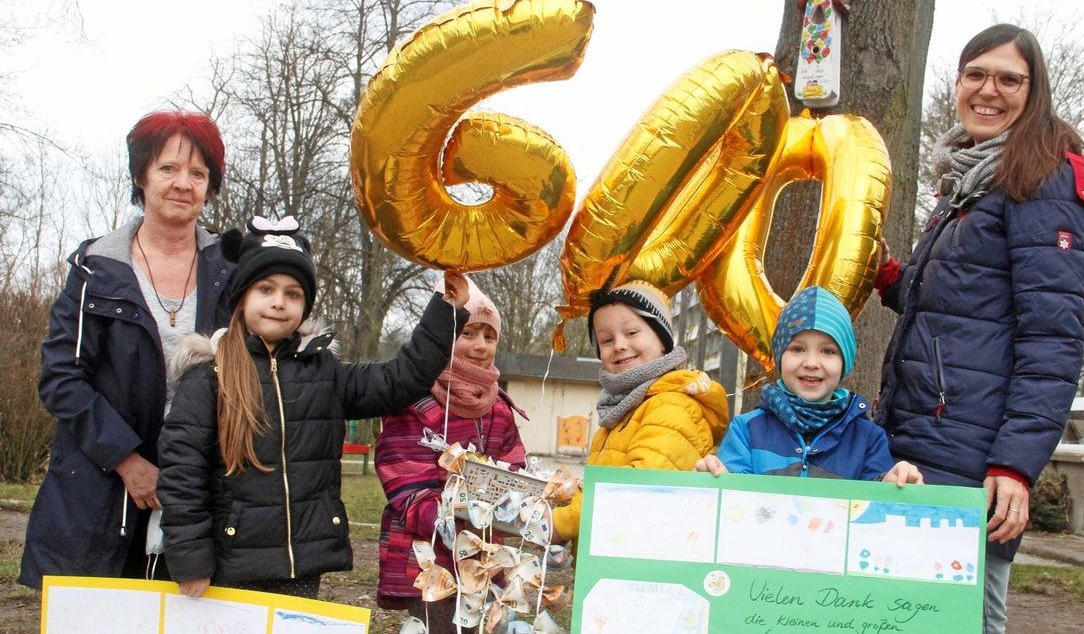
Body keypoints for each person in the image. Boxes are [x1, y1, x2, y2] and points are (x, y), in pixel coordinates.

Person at [872, 23, 1084, 633]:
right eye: (976, 75)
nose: (989, 90)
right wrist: (890, 278)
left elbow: (1051, 342)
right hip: (922, 442)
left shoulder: (1044, 184)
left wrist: (1014, 464)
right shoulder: (971, 182)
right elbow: (963, 307)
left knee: (964, 620)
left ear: (1034, 93)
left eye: (1010, 79)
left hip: (972, 461)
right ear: (958, 83)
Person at [156, 218, 469, 598]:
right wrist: (190, 559)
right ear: (242, 297)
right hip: (228, 568)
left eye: (293, 294)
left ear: (304, 307)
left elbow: (399, 380)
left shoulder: (325, 373)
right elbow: (181, 474)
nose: (278, 302)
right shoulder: (209, 378)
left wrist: (445, 310)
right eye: (266, 289)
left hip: (304, 565)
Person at [20, 111, 233, 588]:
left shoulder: (234, 270)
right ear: (141, 176)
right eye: (168, 168)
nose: (183, 184)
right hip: (99, 493)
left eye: (198, 174)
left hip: (201, 496)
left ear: (210, 187)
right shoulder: (96, 267)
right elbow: (61, 378)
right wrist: (127, 461)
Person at [374, 279, 527, 630]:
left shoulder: (498, 406)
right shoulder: (414, 399)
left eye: (489, 336)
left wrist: (512, 505)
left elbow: (513, 463)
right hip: (428, 555)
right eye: (468, 333)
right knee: (437, 627)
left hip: (483, 554)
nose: (480, 345)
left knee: (479, 626)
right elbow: (403, 477)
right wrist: (454, 520)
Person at [551, 280, 730, 542]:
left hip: (640, 557)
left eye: (632, 332)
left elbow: (634, 489)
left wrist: (557, 524)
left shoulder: (671, 404)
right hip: (613, 552)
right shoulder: (624, 408)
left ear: (663, 340)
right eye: (606, 339)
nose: (619, 345)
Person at [695, 286, 922, 486]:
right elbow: (732, 504)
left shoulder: (867, 438)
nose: (811, 363)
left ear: (845, 361)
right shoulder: (746, 430)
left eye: (828, 351)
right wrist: (716, 481)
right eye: (798, 349)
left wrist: (891, 484)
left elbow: (875, 509)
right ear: (780, 357)